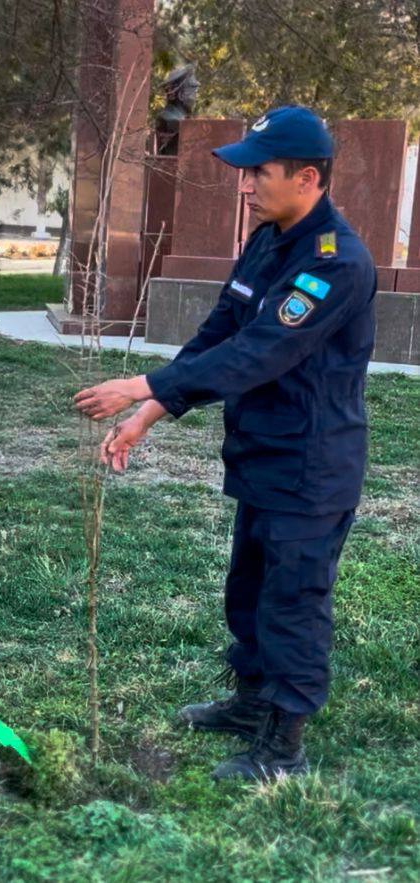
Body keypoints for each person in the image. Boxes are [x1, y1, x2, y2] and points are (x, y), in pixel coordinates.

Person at [74, 106, 376, 781]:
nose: (246, 184)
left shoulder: (336, 263)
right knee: (250, 588)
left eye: (258, 172)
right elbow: (220, 334)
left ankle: (284, 743)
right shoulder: (268, 239)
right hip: (263, 455)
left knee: (293, 599)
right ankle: (249, 702)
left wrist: (138, 382)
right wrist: (152, 408)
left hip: (311, 464)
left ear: (306, 178)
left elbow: (260, 354)